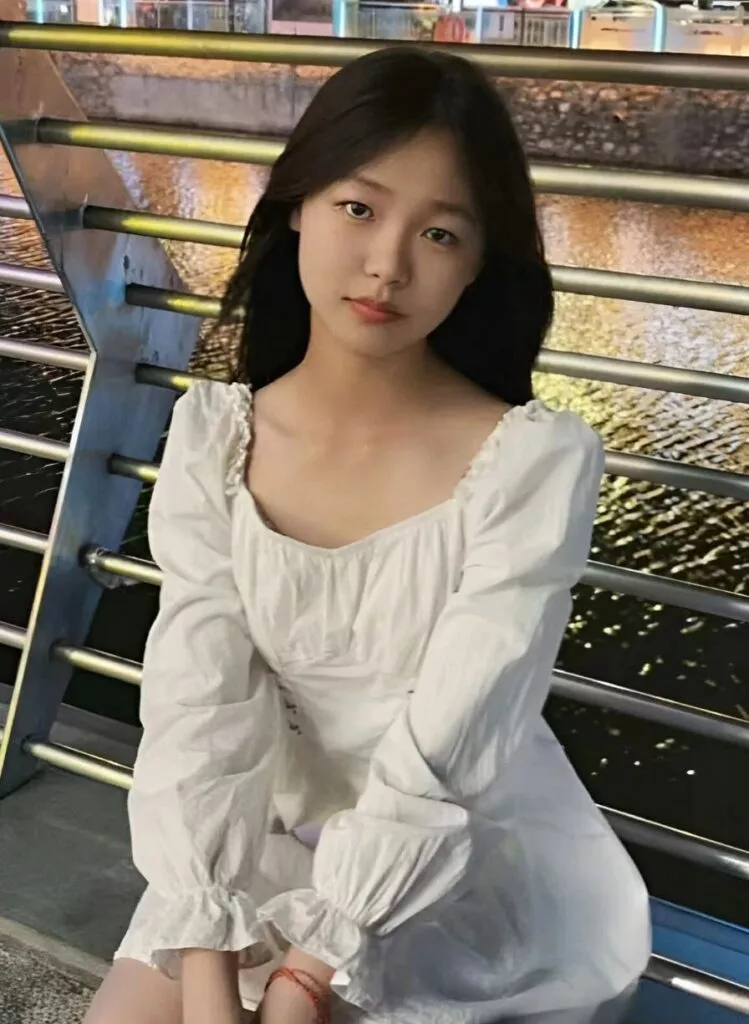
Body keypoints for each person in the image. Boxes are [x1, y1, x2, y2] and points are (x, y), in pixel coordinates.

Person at [84, 46, 650, 1024]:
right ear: (296, 206)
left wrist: (307, 974)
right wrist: (210, 966)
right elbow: (199, 703)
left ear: (478, 261)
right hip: (255, 843)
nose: (387, 264)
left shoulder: (529, 461)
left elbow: (453, 744)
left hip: (447, 856)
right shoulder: (216, 437)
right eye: (357, 207)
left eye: (438, 232)